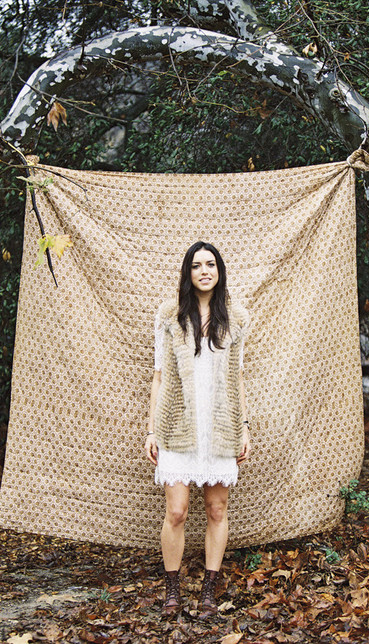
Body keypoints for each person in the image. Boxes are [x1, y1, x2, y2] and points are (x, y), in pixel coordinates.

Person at [144, 241, 251, 616]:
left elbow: (238, 378)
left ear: (219, 271)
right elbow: (159, 376)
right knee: (176, 511)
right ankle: (173, 591)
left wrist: (244, 428)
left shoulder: (235, 319)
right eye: (196, 265)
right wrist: (151, 430)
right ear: (187, 273)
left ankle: (208, 591)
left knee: (217, 510)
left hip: (220, 426)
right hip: (177, 424)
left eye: (210, 265)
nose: (204, 271)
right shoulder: (170, 316)